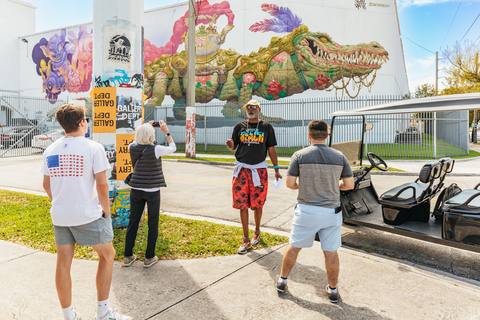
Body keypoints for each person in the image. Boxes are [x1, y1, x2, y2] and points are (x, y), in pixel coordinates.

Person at [41, 104, 131, 320]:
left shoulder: (50, 150)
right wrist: (107, 213)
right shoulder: (93, 147)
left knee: (63, 262)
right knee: (108, 255)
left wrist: (61, 202)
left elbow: (46, 185)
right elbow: (102, 186)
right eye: (86, 120)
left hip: (61, 215)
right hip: (87, 214)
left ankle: (69, 316)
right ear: (82, 122)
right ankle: (103, 313)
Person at [276, 119, 354, 303]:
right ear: (327, 136)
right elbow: (349, 185)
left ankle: (282, 281)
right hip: (331, 213)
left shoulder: (299, 156)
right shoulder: (340, 156)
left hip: (306, 211)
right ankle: (333, 290)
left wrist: (303, 185)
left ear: (309, 136)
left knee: (294, 246)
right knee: (331, 252)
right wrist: (334, 185)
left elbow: (290, 184)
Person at [226, 99, 282, 254]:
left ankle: (257, 231)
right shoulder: (239, 127)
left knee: (258, 204)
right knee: (242, 204)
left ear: (258, 109)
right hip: (241, 170)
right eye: (248, 107)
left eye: (253, 107)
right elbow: (234, 147)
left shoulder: (266, 127)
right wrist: (231, 145)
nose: (250, 109)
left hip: (259, 170)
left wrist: (276, 168)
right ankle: (245, 239)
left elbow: (271, 149)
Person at [123, 120, 176, 268]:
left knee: (133, 221)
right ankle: (149, 257)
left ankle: (128, 256)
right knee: (152, 223)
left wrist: (145, 126)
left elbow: (137, 140)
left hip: (136, 189)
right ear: (151, 136)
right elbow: (173, 147)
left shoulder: (131, 147)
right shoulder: (156, 149)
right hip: (152, 192)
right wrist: (166, 131)